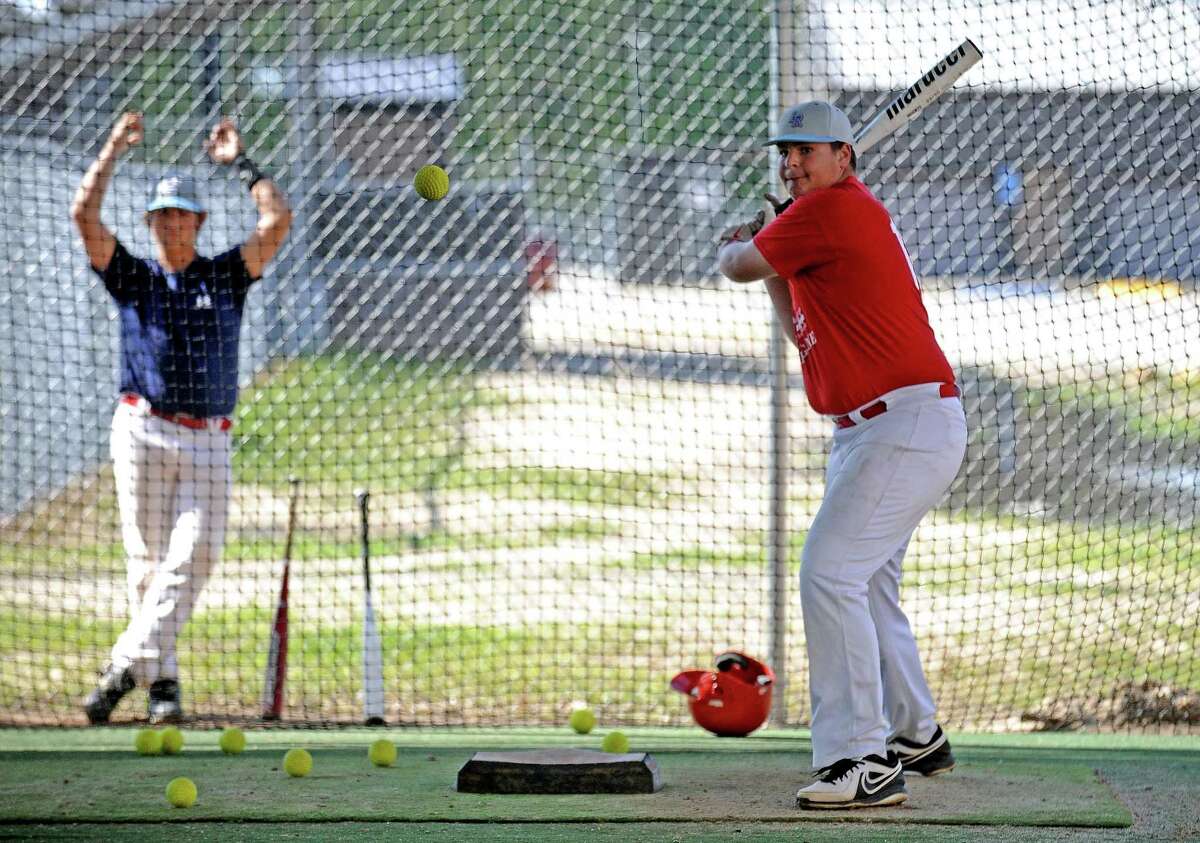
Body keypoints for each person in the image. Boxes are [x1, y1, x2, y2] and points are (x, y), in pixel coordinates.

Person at [716, 101, 967, 809]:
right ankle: (915, 732)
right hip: (876, 430)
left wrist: (751, 243)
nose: (792, 163)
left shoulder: (833, 209)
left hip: (903, 425)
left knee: (828, 573)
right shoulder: (816, 225)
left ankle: (863, 757)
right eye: (785, 153)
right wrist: (775, 252)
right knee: (866, 581)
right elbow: (801, 328)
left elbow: (736, 264)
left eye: (807, 151)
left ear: (843, 157)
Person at [71, 112, 292, 724]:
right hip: (142, 429)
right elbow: (84, 216)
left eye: (181, 214)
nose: (171, 223)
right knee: (145, 562)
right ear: (150, 224)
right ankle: (162, 683)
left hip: (208, 438)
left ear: (197, 222)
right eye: (161, 214)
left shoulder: (225, 274)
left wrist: (242, 163)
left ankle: (123, 666)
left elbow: (278, 221)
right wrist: (112, 147)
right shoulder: (134, 278)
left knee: (197, 553)